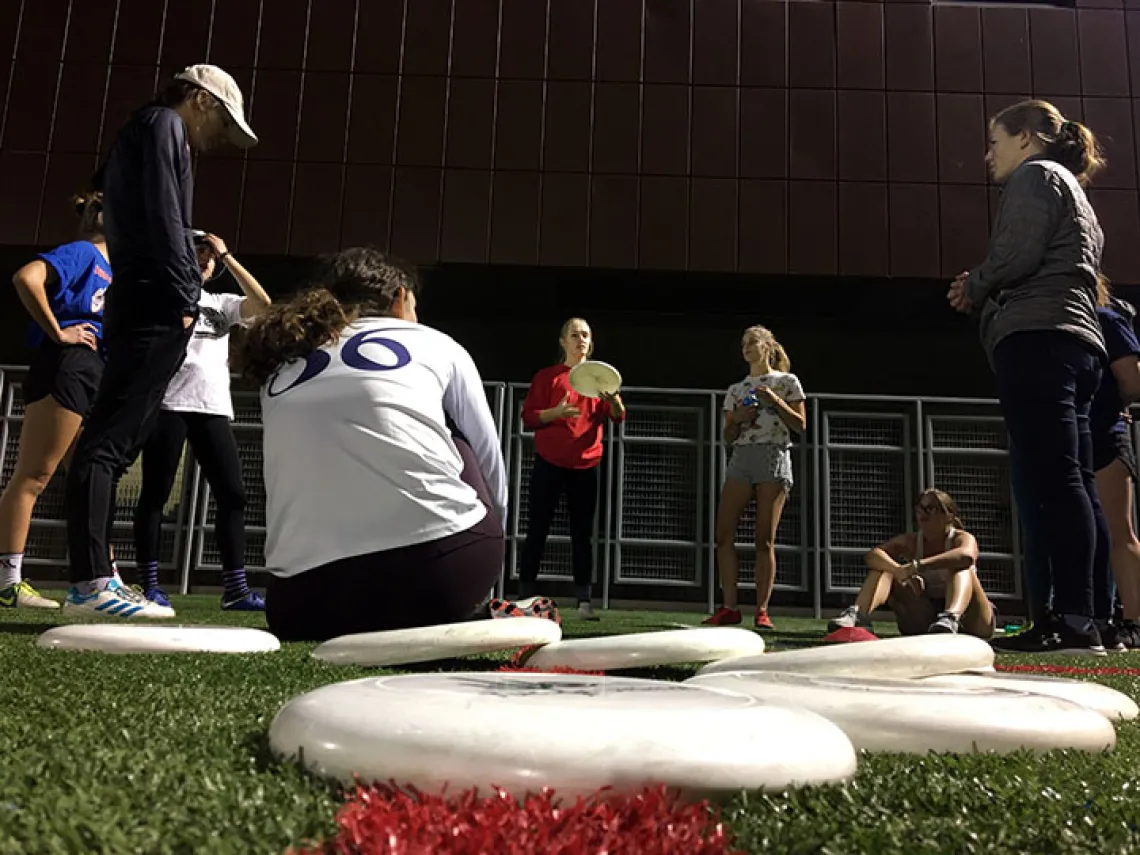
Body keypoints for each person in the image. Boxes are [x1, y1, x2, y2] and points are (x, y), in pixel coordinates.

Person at [63, 64, 256, 620]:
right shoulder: (162, 127)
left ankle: (96, 576)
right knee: (108, 444)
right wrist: (183, 300)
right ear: (198, 98)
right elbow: (164, 217)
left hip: (146, 298)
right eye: (221, 117)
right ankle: (92, 580)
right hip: (156, 302)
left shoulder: (145, 131)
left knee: (112, 444)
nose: (220, 134)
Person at [237, 248, 509, 642]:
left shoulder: (284, 362)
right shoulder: (435, 343)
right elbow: (489, 463)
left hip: (302, 605)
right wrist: (490, 553)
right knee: (453, 435)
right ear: (400, 299)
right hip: (444, 577)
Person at [947, 99, 1112, 655]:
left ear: (1025, 138)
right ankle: (1085, 617)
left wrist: (976, 283)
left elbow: (1016, 253)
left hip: (1041, 340)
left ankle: (1070, 620)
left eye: (995, 141)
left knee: (1055, 486)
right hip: (1077, 343)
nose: (987, 155)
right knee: (1075, 484)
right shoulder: (1075, 189)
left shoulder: (1037, 176)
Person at [131, 231, 270, 611]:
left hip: (211, 406)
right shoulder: (162, 293)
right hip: (168, 404)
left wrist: (228, 256)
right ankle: (150, 585)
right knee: (155, 495)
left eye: (211, 256)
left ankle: (236, 590)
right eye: (199, 253)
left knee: (233, 495)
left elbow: (263, 304)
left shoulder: (220, 303)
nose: (206, 260)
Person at [0, 193, 111, 609]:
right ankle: (7, 580)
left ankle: (103, 576)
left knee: (88, 476)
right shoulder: (83, 252)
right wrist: (58, 332)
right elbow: (26, 277)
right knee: (34, 475)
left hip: (88, 368)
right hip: (68, 362)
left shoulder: (114, 266)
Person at [518, 318, 625, 620]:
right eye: (575, 335)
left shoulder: (600, 379)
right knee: (537, 529)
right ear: (563, 341)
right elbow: (529, 418)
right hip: (548, 463)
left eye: (586, 335)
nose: (581, 340)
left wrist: (614, 401)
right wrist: (557, 412)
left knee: (582, 534)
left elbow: (617, 416)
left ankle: (584, 602)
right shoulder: (547, 377)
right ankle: (525, 599)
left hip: (586, 465)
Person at [704, 325, 805, 629]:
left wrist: (776, 401)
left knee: (764, 538)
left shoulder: (787, 382)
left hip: (772, 456)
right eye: (743, 344)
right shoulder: (736, 389)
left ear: (767, 346)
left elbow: (800, 425)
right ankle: (729, 606)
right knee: (723, 534)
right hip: (742, 457)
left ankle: (762, 609)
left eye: (752, 343)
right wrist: (737, 419)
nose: (746, 348)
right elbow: (728, 435)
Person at [827, 489, 997, 639]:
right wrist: (900, 571)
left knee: (960, 568)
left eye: (930, 508)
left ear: (949, 515)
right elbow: (873, 555)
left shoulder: (961, 538)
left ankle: (951, 617)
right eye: (919, 508)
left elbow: (966, 556)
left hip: (972, 621)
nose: (922, 514)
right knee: (884, 568)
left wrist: (918, 566)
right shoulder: (911, 541)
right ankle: (858, 614)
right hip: (926, 620)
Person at [1087, 277, 1140, 646]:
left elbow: (1133, 380)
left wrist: (1116, 406)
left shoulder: (1108, 319)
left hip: (1104, 432)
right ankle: (1093, 614)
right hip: (1075, 435)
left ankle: (1134, 620)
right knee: (1091, 531)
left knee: (1119, 530)